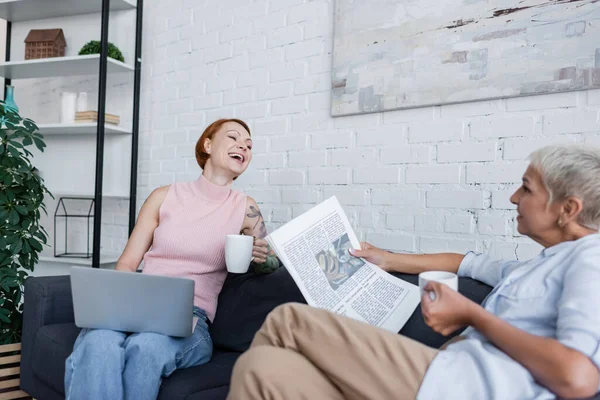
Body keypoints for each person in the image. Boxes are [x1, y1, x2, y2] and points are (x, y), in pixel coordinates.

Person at [227, 144, 600, 400]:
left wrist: (473, 315)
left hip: (465, 387)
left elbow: (578, 378)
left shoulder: (590, 259)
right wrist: (387, 258)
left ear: (567, 209)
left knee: (290, 319)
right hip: (445, 375)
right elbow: (465, 261)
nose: (514, 198)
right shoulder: (543, 262)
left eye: (526, 188)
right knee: (262, 368)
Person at [64, 118, 281, 400]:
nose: (243, 146)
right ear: (207, 144)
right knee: (99, 342)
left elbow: (273, 262)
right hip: (138, 305)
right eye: (233, 138)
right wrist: (117, 309)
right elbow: (128, 263)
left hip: (191, 320)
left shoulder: (245, 207)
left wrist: (262, 258)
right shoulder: (163, 196)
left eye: (249, 145)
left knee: (146, 348)